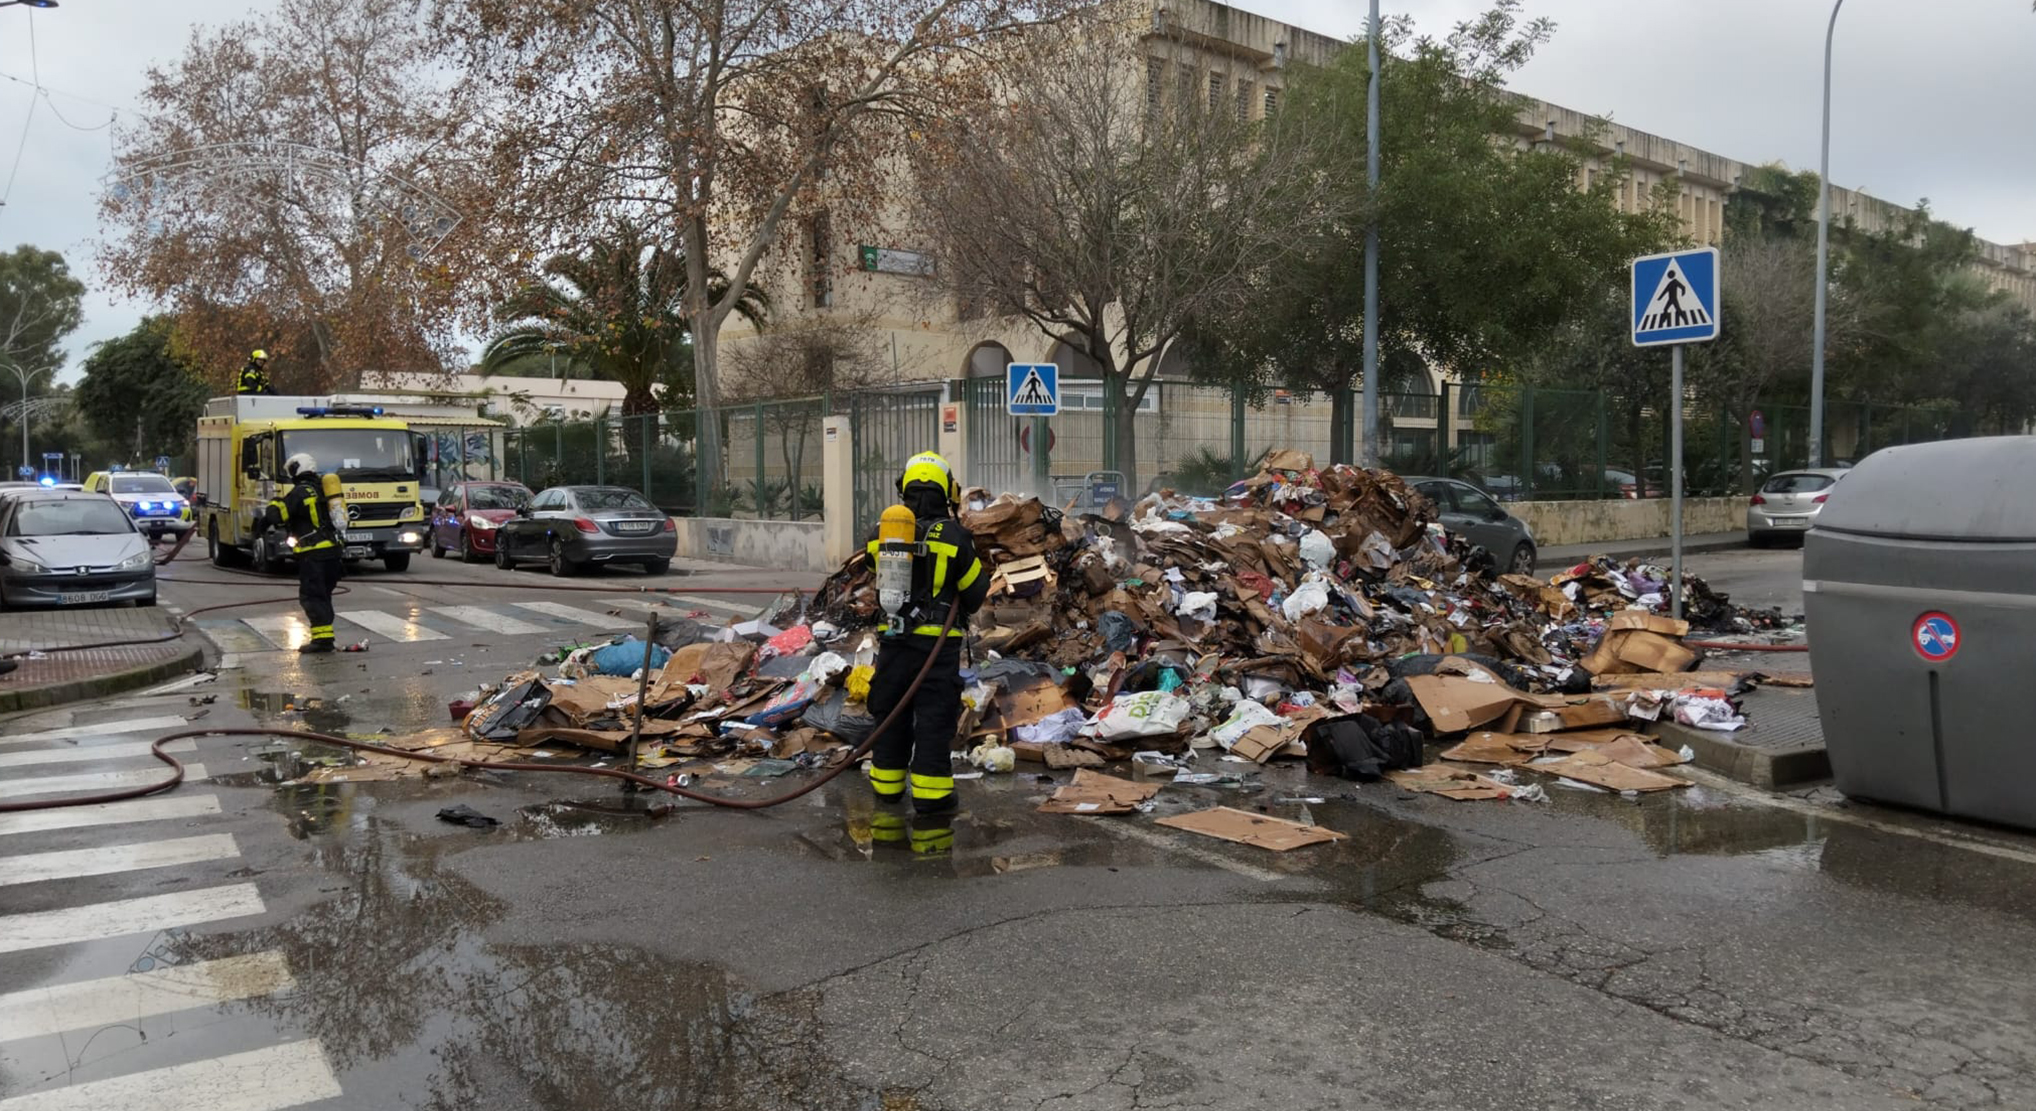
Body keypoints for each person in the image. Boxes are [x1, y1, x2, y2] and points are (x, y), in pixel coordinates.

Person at [863, 450, 988, 815]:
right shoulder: (955, 536)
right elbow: (976, 595)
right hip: (937, 646)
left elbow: (873, 563)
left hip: (894, 641)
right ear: (947, 491)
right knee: (934, 715)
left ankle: (887, 787)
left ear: (904, 488)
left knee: (889, 711)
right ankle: (932, 796)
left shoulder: (883, 533)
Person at [265, 453, 344, 653]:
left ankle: (322, 640)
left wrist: (274, 502)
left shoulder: (299, 492)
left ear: (297, 469)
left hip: (313, 554)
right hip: (333, 552)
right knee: (323, 595)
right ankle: (325, 636)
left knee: (312, 597)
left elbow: (277, 516)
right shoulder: (322, 489)